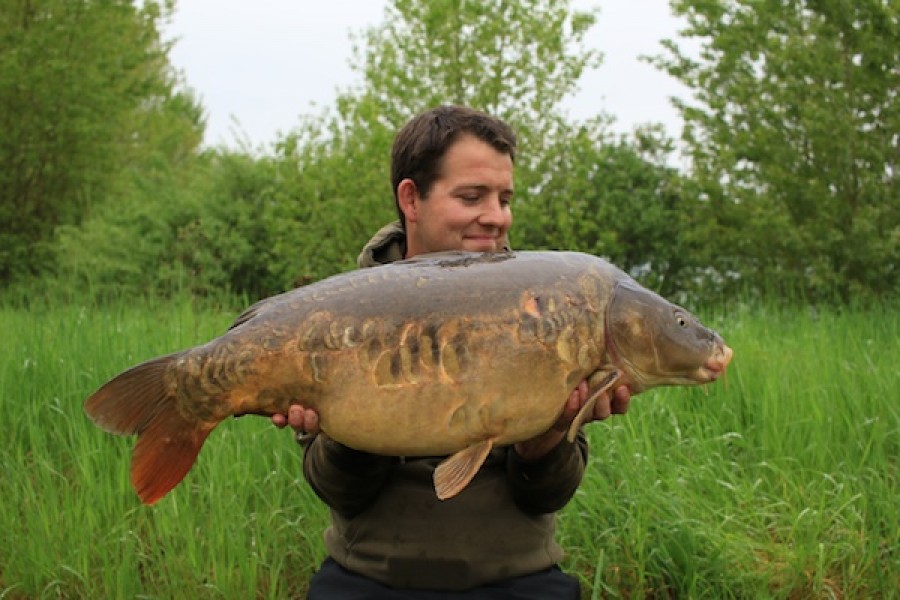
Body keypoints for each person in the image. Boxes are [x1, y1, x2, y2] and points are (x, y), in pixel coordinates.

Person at [272, 105, 630, 599]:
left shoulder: (549, 308)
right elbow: (341, 492)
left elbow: (548, 495)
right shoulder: (341, 315)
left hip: (516, 577)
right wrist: (349, 426)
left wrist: (546, 437)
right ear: (411, 199)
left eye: (505, 198)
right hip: (371, 577)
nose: (496, 216)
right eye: (472, 196)